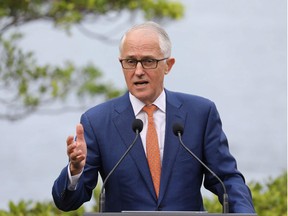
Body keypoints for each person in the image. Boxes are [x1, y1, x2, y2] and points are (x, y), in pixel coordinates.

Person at [52, 21, 255, 213]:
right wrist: (75, 171)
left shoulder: (200, 113)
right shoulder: (96, 121)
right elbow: (67, 202)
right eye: (130, 62)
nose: (138, 71)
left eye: (148, 61)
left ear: (168, 65)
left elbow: (227, 179)